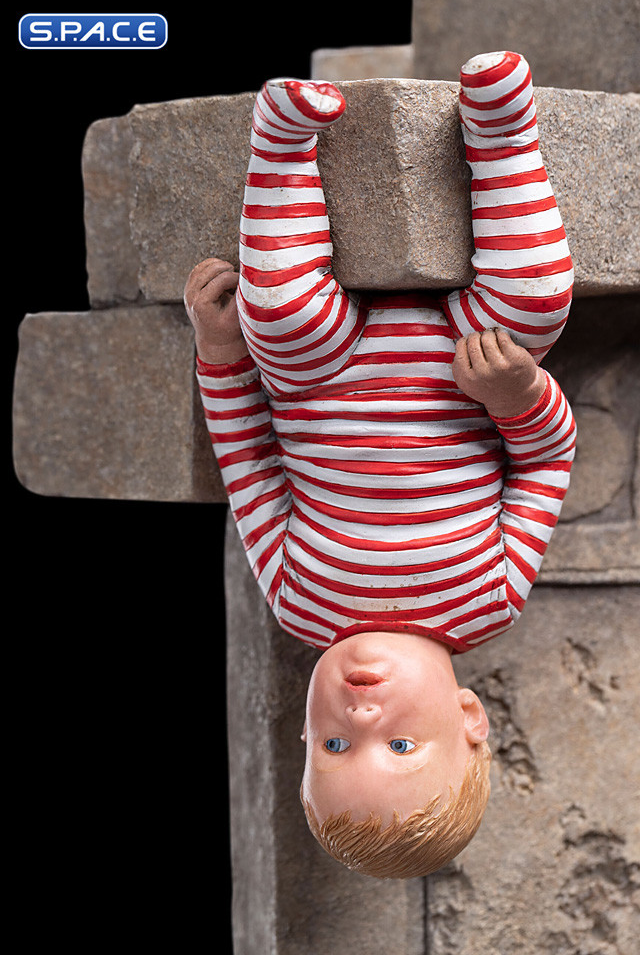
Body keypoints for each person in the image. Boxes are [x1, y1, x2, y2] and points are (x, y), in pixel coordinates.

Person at [184, 52, 576, 877]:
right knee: (539, 296)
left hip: (320, 372)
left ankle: (284, 143)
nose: (358, 711)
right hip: (464, 360)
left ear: (301, 733)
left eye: (333, 742)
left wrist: (221, 354)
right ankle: (502, 132)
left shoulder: (298, 599)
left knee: (275, 311)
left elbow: (248, 466)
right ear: (470, 716)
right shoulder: (491, 598)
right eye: (399, 741)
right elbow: (546, 462)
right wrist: (517, 393)